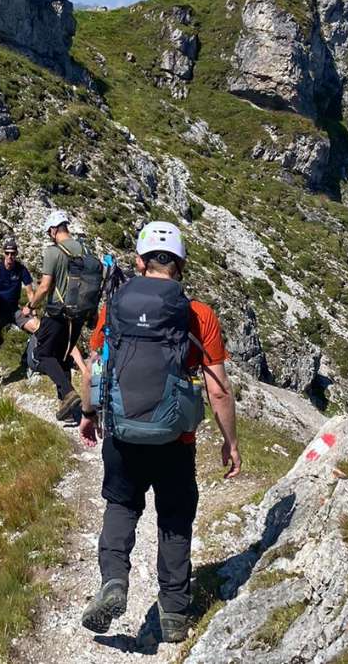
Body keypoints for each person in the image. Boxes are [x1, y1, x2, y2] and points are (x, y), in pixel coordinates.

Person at [75, 220, 239, 644]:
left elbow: (96, 367)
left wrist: (90, 414)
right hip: (175, 440)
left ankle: (114, 581)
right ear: (180, 265)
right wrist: (230, 442)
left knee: (121, 506)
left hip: (123, 433)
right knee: (175, 518)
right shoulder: (197, 313)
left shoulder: (116, 307)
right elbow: (219, 390)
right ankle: (173, 615)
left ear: (139, 261)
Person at [26, 211, 101, 427]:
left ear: (53, 229)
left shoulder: (53, 252)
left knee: (43, 354)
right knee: (61, 357)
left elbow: (45, 286)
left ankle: (68, 393)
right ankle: (66, 409)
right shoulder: (85, 250)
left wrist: (30, 306)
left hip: (57, 314)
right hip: (78, 316)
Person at [0, 240, 33, 361]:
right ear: (3, 253)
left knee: (37, 328)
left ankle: (28, 358)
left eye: (12, 253)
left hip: (14, 310)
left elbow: (29, 291)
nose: (10, 256)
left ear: (16, 253)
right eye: (7, 253)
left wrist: (32, 308)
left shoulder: (21, 269)